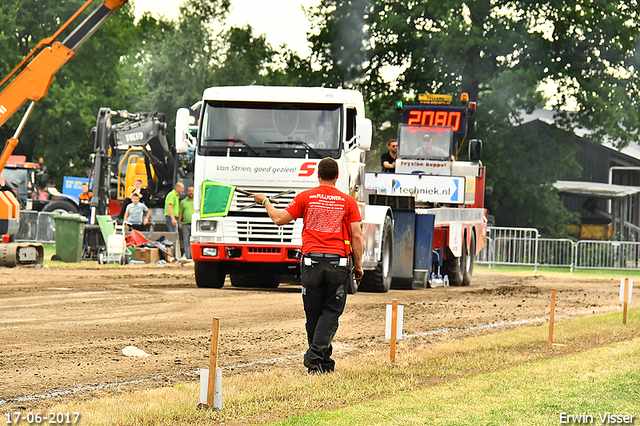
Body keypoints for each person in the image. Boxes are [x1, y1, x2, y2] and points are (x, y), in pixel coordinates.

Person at [252, 158, 364, 374]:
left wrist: (265, 200)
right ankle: (315, 357)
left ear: (318, 175)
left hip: (310, 262)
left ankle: (321, 365)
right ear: (337, 176)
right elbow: (357, 236)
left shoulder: (306, 197)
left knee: (313, 313)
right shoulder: (347, 201)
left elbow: (278, 219)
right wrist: (358, 266)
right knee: (331, 311)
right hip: (337, 262)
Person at [178, 186, 195, 259]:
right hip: (185, 225)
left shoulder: (198, 201)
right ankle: (188, 257)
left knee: (194, 241)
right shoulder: (183, 202)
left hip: (195, 225)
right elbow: (180, 213)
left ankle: (193, 256)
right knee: (186, 242)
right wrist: (179, 222)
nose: (191, 192)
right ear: (187, 192)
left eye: (192, 191)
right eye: (189, 191)